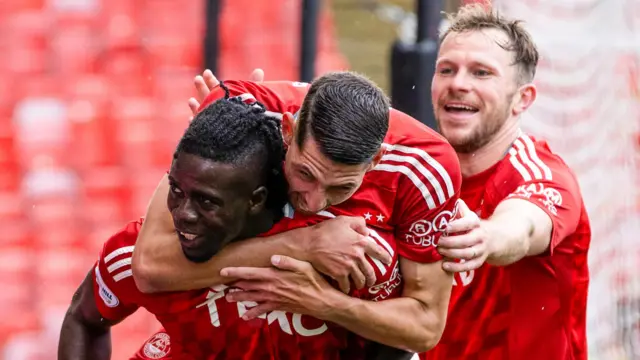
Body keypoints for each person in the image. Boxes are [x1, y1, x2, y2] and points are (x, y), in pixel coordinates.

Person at [131, 70, 463, 353]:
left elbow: (425, 327)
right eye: (305, 174)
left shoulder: (425, 167)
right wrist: (303, 244)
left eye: (341, 188)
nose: (315, 201)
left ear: (375, 161)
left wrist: (322, 301)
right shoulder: (239, 118)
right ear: (287, 132)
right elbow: (150, 266)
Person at [57, 97, 411, 359]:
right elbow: (83, 318)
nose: (183, 215)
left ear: (255, 200)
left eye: (207, 202)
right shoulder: (135, 255)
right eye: (175, 191)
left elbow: (401, 340)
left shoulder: (344, 256)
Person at [418, 4, 591, 360]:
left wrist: (484, 238)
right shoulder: (419, 172)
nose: (458, 84)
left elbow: (523, 227)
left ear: (522, 99)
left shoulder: (542, 175)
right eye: (446, 69)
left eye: (481, 73)